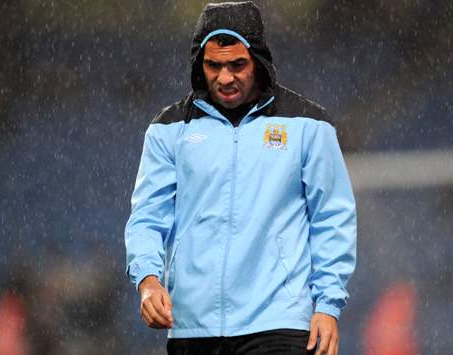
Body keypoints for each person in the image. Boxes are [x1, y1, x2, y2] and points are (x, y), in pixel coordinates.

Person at [125, 2, 357, 354]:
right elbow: (146, 219)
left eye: (237, 64)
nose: (225, 78)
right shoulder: (168, 130)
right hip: (192, 326)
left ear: (259, 61)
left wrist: (328, 305)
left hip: (279, 325)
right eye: (213, 65)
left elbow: (332, 219)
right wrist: (147, 280)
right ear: (198, 65)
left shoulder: (308, 126)